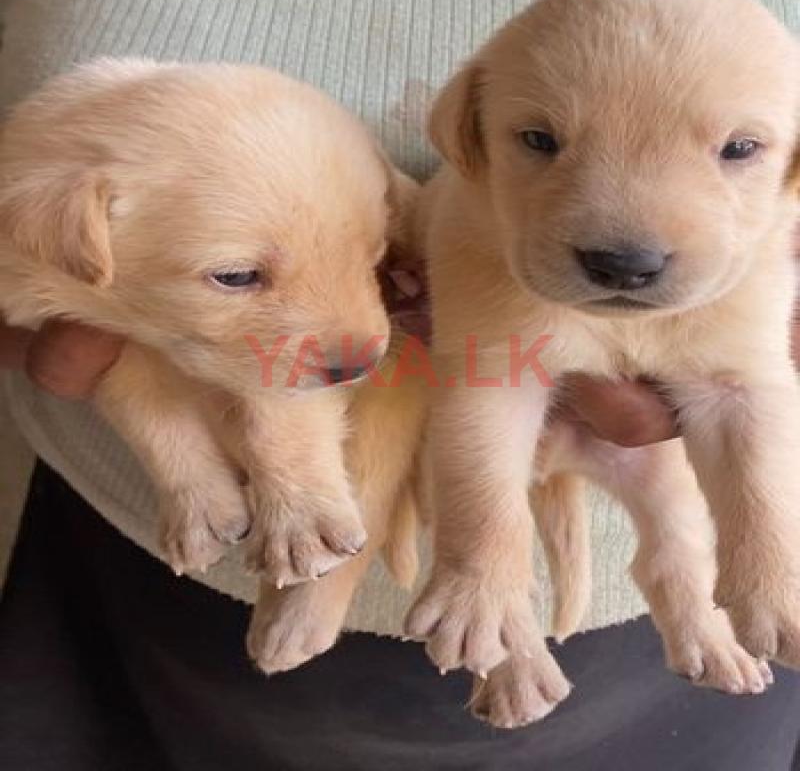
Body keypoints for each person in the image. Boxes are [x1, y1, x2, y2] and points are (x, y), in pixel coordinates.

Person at [2, 312, 799, 771]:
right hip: (144, 566)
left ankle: (655, 609)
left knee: (651, 507)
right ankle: (505, 632)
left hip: (636, 677)